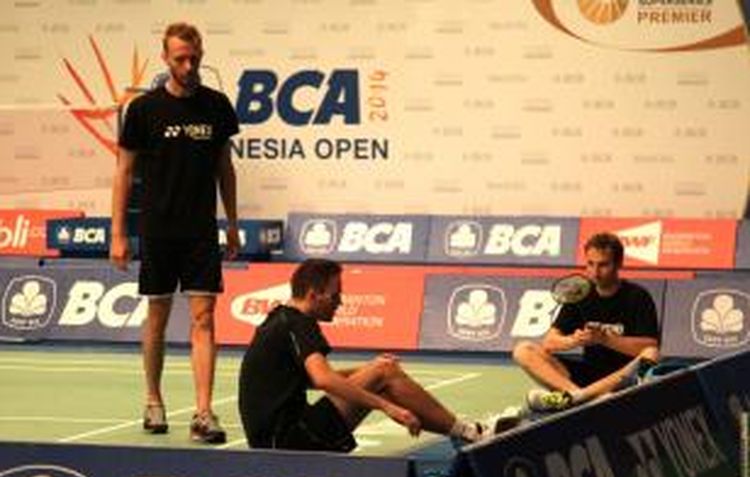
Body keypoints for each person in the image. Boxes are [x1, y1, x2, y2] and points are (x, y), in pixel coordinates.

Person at [110, 22, 240, 444]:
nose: (188, 64)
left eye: (194, 57)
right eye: (180, 58)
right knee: (158, 317)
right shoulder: (144, 110)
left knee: (205, 319)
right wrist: (118, 232)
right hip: (158, 229)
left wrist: (233, 224)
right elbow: (123, 172)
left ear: (201, 53)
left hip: (201, 231)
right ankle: (153, 400)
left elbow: (225, 168)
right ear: (165, 58)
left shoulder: (217, 106)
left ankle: (203, 413)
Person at [238, 259, 497, 452]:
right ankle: (469, 433)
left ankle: (464, 432)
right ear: (313, 294)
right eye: (335, 294)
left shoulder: (280, 319)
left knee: (381, 371)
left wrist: (368, 368)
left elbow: (308, 379)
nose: (339, 301)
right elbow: (323, 379)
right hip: (288, 443)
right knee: (385, 374)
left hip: (274, 440)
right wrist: (388, 407)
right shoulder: (299, 323)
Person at [512, 233, 660, 412]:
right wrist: (574, 340)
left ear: (619, 264)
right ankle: (579, 397)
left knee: (651, 354)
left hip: (623, 378)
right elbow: (549, 342)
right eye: (590, 264)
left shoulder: (637, 296)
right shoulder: (580, 294)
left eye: (603, 265)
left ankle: (577, 399)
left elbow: (650, 345)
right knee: (523, 350)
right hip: (586, 375)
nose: (595, 272)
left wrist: (605, 339)